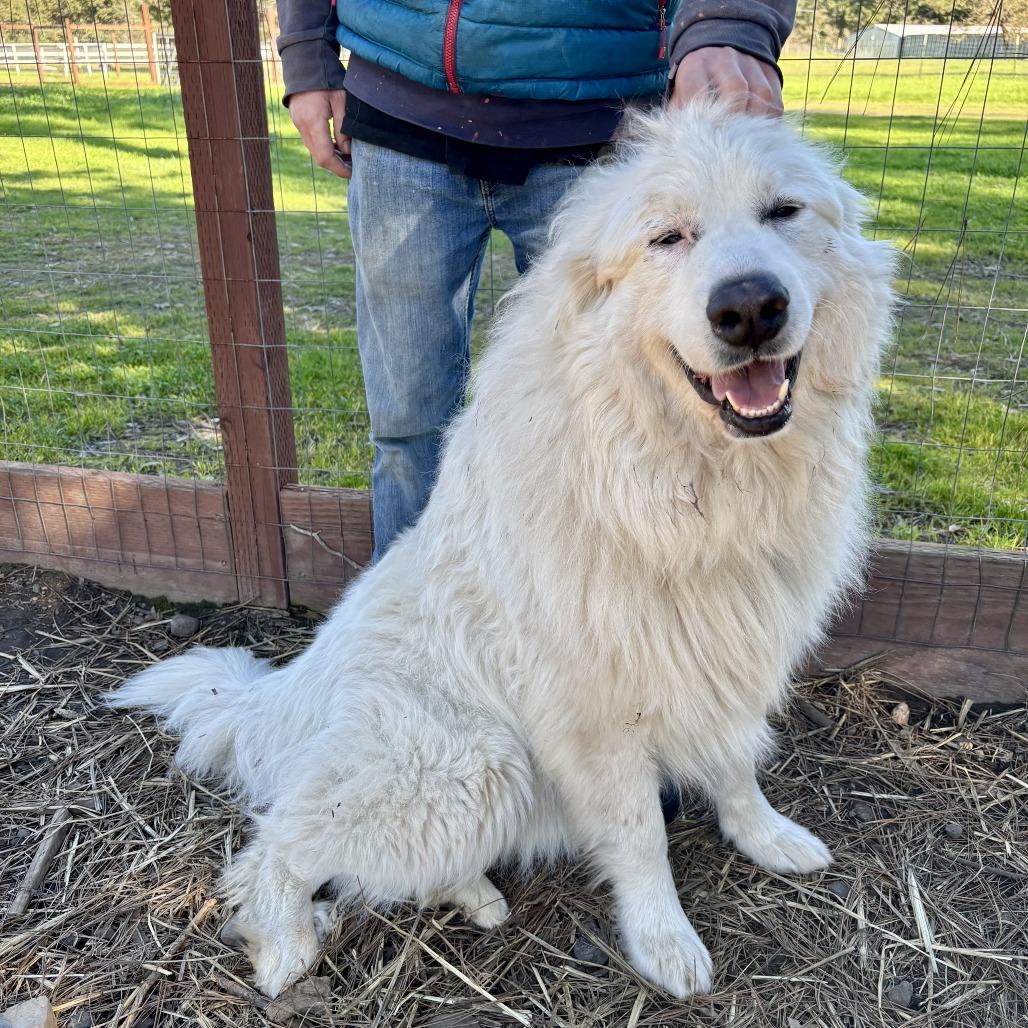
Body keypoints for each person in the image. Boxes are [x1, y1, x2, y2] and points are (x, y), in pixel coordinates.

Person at [276, 0, 794, 562]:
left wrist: (728, 20)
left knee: (589, 423)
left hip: (594, 132)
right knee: (406, 425)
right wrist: (308, 53)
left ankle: (585, 621)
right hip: (397, 116)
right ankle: (404, 620)